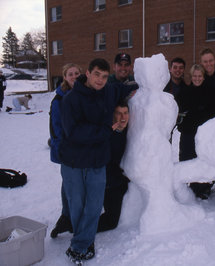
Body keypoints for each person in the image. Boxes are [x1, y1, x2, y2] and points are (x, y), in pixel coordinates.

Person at [59, 58, 133, 264]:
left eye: (104, 76)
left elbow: (122, 88)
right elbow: (72, 132)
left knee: (93, 206)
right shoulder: (72, 99)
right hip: (74, 161)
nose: (100, 80)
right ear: (88, 74)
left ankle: (81, 243)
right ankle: (82, 242)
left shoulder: (109, 90)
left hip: (98, 160)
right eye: (97, 75)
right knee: (78, 205)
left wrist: (141, 87)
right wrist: (105, 130)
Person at [50, 63, 82, 238]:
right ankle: (67, 217)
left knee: (74, 185)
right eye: (71, 74)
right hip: (68, 151)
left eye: (77, 73)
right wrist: (62, 150)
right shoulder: (59, 100)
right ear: (64, 77)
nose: (75, 76)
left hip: (83, 149)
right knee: (70, 185)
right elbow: (56, 128)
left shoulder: (84, 93)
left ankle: (70, 215)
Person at [176, 64, 215, 199]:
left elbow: (211, 113)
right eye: (195, 76)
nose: (197, 79)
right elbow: (180, 111)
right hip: (188, 133)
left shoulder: (210, 92)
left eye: (200, 76)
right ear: (191, 77)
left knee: (203, 159)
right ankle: (190, 186)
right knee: (187, 158)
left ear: (203, 77)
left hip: (204, 134)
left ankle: (203, 187)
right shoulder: (185, 92)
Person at [97, 101, 130, 232]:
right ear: (113, 115)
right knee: (111, 221)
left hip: (119, 177)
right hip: (108, 181)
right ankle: (80, 228)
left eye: (125, 113)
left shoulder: (129, 131)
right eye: (118, 113)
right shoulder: (107, 134)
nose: (122, 117)